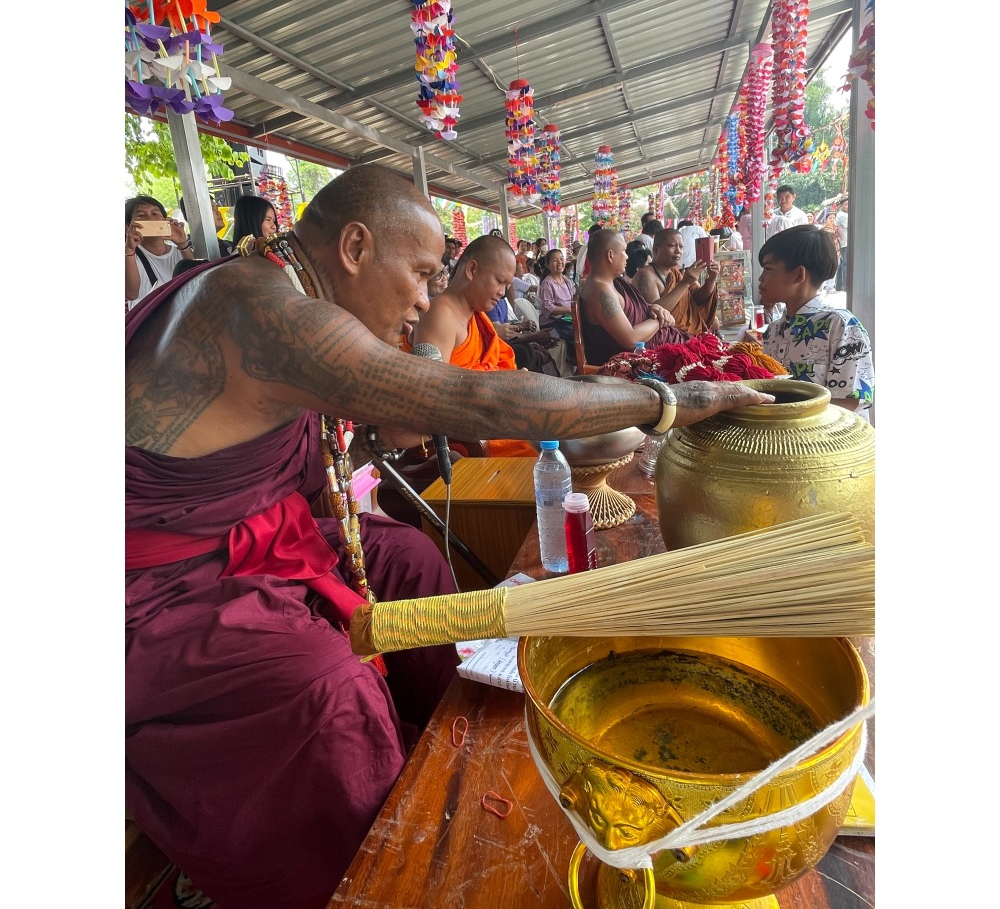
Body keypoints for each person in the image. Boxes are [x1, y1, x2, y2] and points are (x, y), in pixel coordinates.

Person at [126, 165, 773, 909]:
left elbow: (372, 434)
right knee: (323, 687)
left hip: (249, 534)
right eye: (422, 274)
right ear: (355, 248)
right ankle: (378, 868)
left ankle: (446, 745)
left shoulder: (284, 288)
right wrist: (676, 399)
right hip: (161, 588)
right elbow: (483, 399)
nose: (425, 299)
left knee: (408, 556)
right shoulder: (266, 308)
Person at [758, 224, 874, 420]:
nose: (761, 278)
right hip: (783, 433)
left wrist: (788, 417)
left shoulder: (841, 326)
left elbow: (851, 400)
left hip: (829, 437)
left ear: (798, 274)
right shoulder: (774, 330)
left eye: (768, 269)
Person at [578, 228, 692, 366]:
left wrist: (651, 308)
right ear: (610, 255)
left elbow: (632, 309)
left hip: (666, 343)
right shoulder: (600, 292)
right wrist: (660, 320)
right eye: (624, 251)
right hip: (646, 359)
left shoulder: (611, 283)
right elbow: (632, 339)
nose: (627, 257)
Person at [633, 227, 720, 335]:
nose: (678, 251)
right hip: (666, 337)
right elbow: (656, 314)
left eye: (681, 247)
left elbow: (698, 299)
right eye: (672, 246)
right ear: (656, 249)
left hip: (687, 334)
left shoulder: (675, 273)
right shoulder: (646, 275)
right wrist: (685, 283)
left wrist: (711, 279)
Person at [125, 194, 194, 310]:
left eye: (155, 214)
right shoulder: (128, 256)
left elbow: (199, 280)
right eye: (141, 215)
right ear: (128, 227)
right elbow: (131, 294)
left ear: (165, 220)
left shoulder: (181, 251)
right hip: (149, 319)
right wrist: (129, 250)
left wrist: (183, 244)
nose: (150, 219)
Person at [536, 247, 577, 347]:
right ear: (548, 265)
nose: (559, 262)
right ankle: (574, 355)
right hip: (551, 324)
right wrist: (568, 310)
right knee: (574, 333)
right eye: (555, 260)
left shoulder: (567, 280)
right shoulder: (547, 283)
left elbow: (574, 297)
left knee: (584, 328)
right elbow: (547, 307)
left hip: (565, 319)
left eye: (561, 259)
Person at [835, 196, 850, 291]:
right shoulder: (842, 215)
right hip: (845, 243)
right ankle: (846, 285)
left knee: (842, 264)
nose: (848, 206)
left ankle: (839, 285)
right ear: (841, 206)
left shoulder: (844, 214)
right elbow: (849, 226)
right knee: (845, 264)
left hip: (844, 242)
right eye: (846, 204)